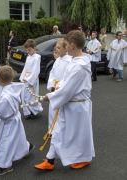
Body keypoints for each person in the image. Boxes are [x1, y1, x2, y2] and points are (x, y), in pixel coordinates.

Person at [34, 30, 95, 171]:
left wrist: (50, 96)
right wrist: (58, 86)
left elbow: (68, 90)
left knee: (78, 135)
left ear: (72, 45)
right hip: (70, 105)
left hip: (76, 107)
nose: (65, 47)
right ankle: (50, 160)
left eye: (66, 45)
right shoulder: (75, 61)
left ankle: (84, 158)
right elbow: (66, 82)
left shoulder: (79, 66)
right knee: (58, 131)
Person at [0, 66, 35, 176]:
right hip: (15, 118)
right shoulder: (13, 88)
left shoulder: (6, 96)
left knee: (6, 141)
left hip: (10, 121)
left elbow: (1, 112)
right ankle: (26, 147)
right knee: (17, 136)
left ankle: (5, 165)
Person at [47, 39, 72, 134]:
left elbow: (67, 77)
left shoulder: (70, 61)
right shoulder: (57, 60)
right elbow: (52, 73)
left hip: (61, 89)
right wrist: (51, 85)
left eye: (58, 47)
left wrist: (58, 86)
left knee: (61, 111)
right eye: (56, 47)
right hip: (54, 88)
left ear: (66, 49)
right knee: (52, 110)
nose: (56, 50)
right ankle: (52, 130)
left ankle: (60, 131)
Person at [19, 39, 43, 120]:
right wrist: (22, 78)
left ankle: (33, 111)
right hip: (26, 78)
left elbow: (36, 70)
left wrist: (29, 79)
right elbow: (25, 68)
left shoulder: (37, 58)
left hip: (32, 79)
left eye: (29, 50)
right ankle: (28, 111)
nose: (28, 51)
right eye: (27, 50)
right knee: (24, 96)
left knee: (31, 96)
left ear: (34, 48)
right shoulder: (28, 57)